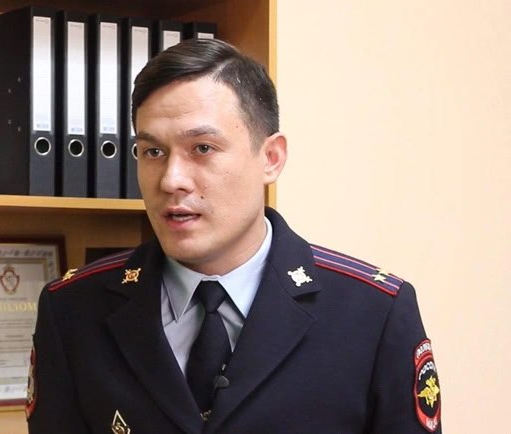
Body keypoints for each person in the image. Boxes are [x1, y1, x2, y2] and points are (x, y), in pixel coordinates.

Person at [26, 38, 441, 434]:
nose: (171, 180)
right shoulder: (72, 310)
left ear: (271, 158)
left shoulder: (373, 312)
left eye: (202, 148)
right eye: (153, 152)